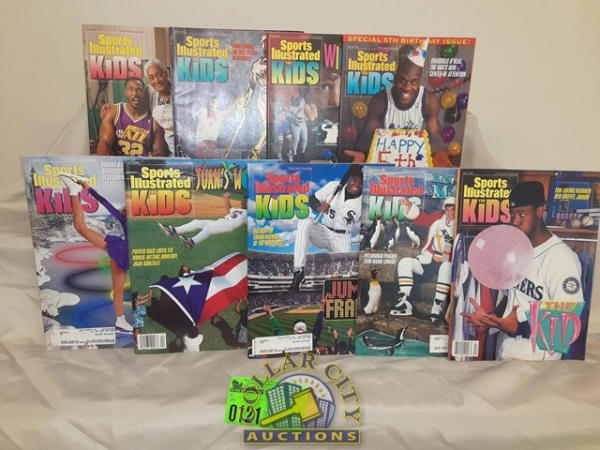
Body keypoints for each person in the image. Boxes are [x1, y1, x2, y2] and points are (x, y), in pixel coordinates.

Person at [461, 181, 584, 360]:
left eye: (522, 214)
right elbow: (512, 297)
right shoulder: (518, 249)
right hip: (506, 348)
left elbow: (567, 325)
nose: (515, 221)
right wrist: (490, 318)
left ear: (539, 211)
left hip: (537, 359)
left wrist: (519, 327)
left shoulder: (562, 258)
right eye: (513, 214)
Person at [343, 39, 450, 166]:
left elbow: (435, 134)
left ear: (419, 82)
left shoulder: (429, 101)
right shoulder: (380, 100)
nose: (407, 87)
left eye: (413, 82)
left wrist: (439, 155)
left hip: (413, 162)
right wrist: (361, 153)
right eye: (403, 80)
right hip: (387, 162)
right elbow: (367, 133)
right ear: (395, 78)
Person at [58, 173, 133, 332]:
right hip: (120, 251)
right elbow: (105, 202)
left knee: (118, 290)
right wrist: (89, 189)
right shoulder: (125, 217)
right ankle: (73, 190)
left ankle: (120, 320)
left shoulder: (141, 220)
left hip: (123, 253)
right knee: (80, 227)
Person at [289, 167, 363, 291]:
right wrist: (318, 207)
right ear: (350, 179)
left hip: (342, 238)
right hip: (324, 232)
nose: (357, 184)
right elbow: (312, 199)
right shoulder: (334, 186)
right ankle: (299, 270)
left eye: (361, 183)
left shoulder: (363, 202)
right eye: (355, 180)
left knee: (339, 278)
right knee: (304, 223)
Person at [393, 197, 455, 321]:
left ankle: (437, 306)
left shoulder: (460, 223)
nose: (450, 213)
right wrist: (409, 204)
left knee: (447, 267)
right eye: (447, 209)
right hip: (429, 259)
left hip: (447, 262)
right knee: (405, 262)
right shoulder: (437, 217)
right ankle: (405, 300)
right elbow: (421, 218)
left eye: (453, 210)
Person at [96, 77, 166, 156]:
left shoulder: (154, 119)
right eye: (130, 90)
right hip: (118, 162)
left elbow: (158, 152)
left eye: (139, 90)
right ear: (125, 93)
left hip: (142, 163)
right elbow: (104, 143)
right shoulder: (113, 112)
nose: (135, 93)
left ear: (144, 93)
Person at [158, 193, 247, 249]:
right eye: (242, 201)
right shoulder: (239, 210)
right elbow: (229, 209)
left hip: (228, 225)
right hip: (221, 221)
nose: (242, 202)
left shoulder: (249, 214)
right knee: (197, 222)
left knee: (209, 228)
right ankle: (174, 230)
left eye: (244, 202)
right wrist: (226, 198)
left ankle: (192, 241)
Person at [144, 59, 175, 155]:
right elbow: (134, 98)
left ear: (166, 74)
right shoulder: (150, 92)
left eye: (159, 75)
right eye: (151, 78)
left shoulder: (179, 89)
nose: (156, 81)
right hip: (172, 149)